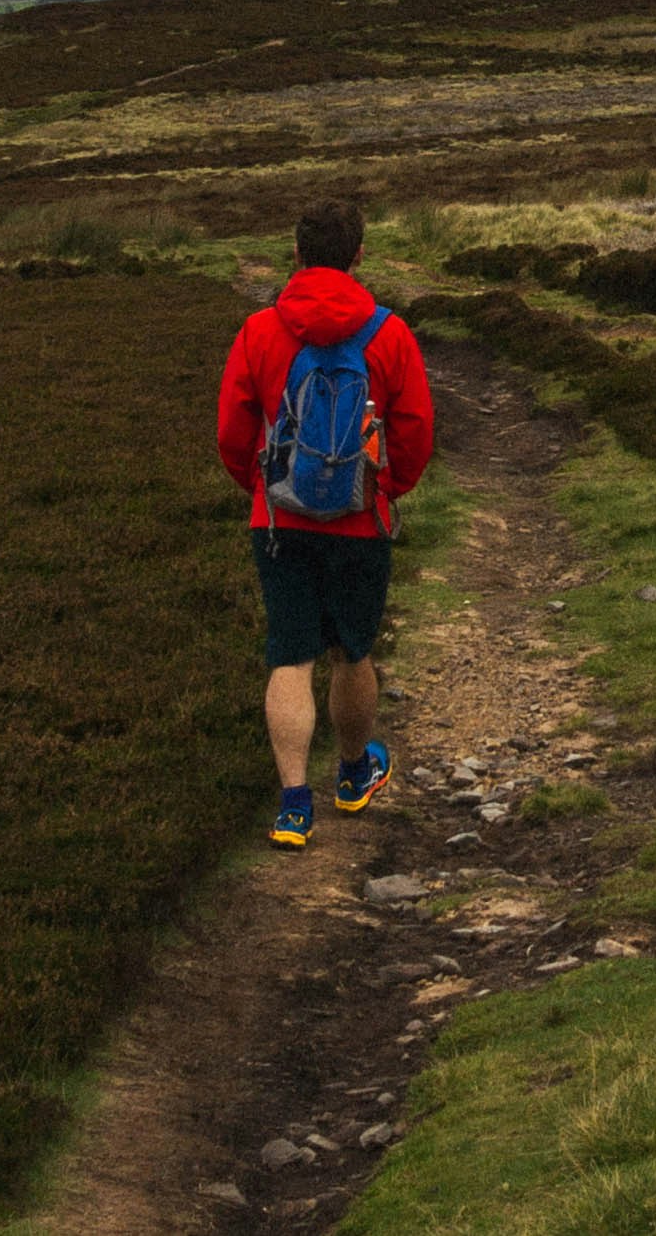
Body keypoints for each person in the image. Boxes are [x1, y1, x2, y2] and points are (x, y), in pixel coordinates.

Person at [214, 197, 433, 849]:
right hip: (360, 519)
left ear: (297, 254)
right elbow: (415, 431)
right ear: (359, 255)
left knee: (289, 654)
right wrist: (384, 489)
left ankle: (291, 807)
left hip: (278, 520)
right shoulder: (388, 333)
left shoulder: (259, 331)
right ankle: (351, 773)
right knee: (352, 652)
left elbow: (232, 433)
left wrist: (263, 491)